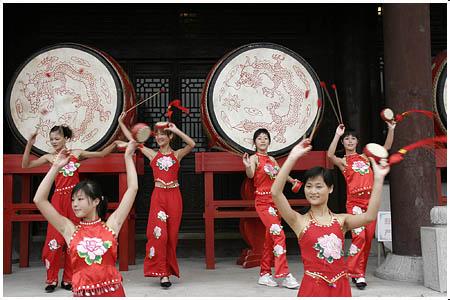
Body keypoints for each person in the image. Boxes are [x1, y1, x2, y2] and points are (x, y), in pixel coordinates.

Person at [271, 138, 390, 297]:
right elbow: (276, 193)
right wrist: (292, 157)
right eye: (309, 186)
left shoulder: (342, 221)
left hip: (341, 288)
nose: (313, 191)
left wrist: (379, 179)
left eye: (319, 186)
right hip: (313, 289)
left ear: (330, 189)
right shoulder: (299, 221)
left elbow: (369, 216)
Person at [22, 125, 123, 292]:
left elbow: (101, 154)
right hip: (58, 201)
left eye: (57, 138)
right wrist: (29, 144)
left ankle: (68, 279)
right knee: (53, 241)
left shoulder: (76, 153)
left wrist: (115, 144)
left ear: (66, 139)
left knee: (75, 239)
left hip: (76, 202)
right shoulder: (49, 157)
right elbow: (26, 165)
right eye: (52, 139)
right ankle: (51, 279)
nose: (54, 142)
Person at [118, 112, 195, 288]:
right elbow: (134, 140)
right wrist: (120, 122)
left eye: (163, 134)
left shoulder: (177, 155)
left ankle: (167, 270)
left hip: (175, 197)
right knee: (160, 235)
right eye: (157, 134)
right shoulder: (152, 155)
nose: (159, 137)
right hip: (158, 197)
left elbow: (192, 144)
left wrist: (176, 129)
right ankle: (162, 274)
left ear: (169, 137)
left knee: (172, 237)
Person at [326, 122, 395, 289]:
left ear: (358, 142)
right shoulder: (343, 161)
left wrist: (391, 129)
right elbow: (329, 155)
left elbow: (385, 148)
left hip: (370, 203)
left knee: (368, 240)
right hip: (355, 204)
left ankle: (359, 274)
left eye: (353, 138)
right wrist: (337, 134)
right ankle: (356, 273)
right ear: (343, 143)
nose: (350, 141)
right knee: (359, 237)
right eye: (346, 139)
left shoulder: (366, 157)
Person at [242, 128, 300, 289]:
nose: (262, 140)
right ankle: (284, 273)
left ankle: (264, 274)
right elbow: (251, 175)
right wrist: (247, 166)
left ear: (269, 141)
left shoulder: (272, 159)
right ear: (254, 142)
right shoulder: (254, 159)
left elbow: (281, 174)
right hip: (262, 202)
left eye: (265, 138)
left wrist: (292, 180)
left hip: (275, 201)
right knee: (278, 234)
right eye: (259, 138)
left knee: (270, 240)